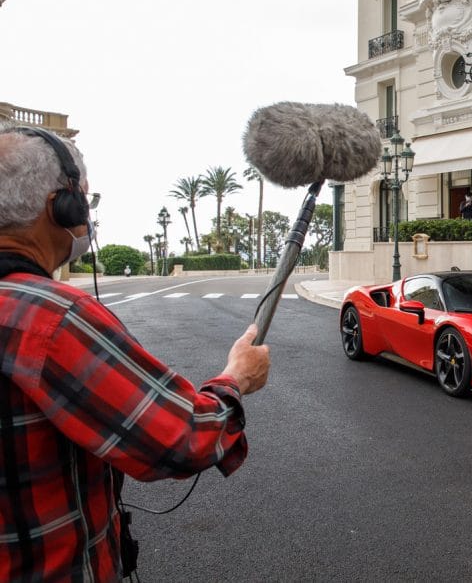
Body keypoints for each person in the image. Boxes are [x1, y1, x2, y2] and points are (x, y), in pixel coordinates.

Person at [0, 126, 271, 581]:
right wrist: (236, 378)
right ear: (61, 206)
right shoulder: (53, 319)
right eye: (84, 199)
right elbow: (181, 436)